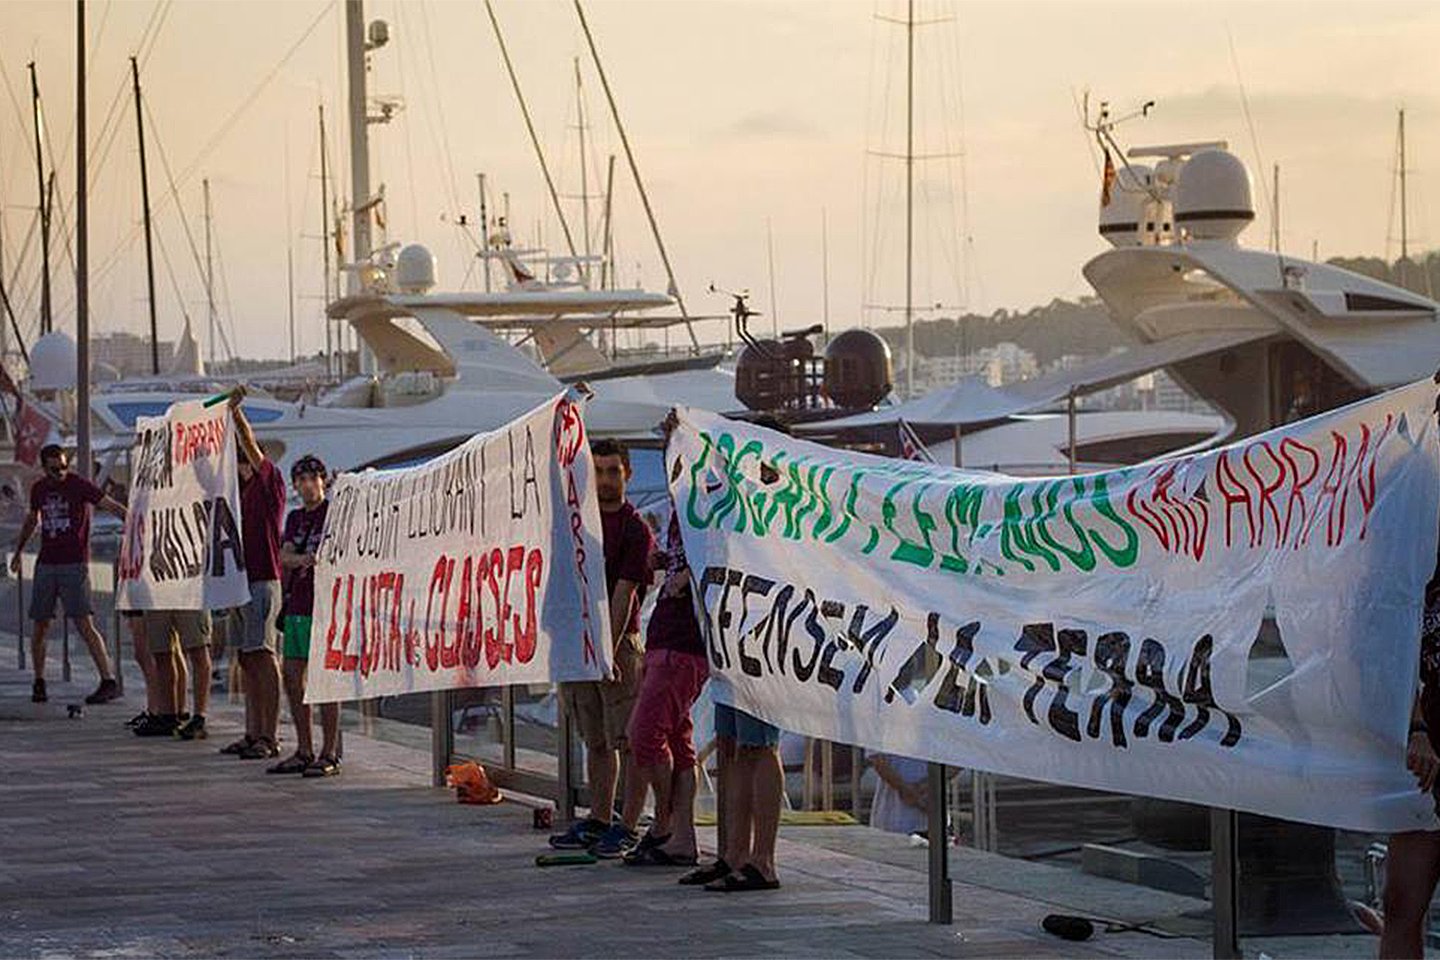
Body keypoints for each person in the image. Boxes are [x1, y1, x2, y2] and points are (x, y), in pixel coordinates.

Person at [550, 438, 655, 857]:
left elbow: (625, 593)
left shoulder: (635, 527)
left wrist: (605, 650)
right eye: (599, 471)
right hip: (577, 643)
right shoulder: (579, 523)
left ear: (627, 473)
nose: (607, 479)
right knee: (594, 739)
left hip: (617, 644)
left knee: (626, 740)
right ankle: (598, 816)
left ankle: (628, 823)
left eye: (614, 471)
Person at [621, 508, 710, 868]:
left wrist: (688, 574)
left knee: (642, 735)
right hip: (666, 632)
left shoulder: (708, 496)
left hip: (684, 640)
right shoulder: (684, 502)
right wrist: (667, 561)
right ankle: (682, 838)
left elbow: (727, 549)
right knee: (677, 741)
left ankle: (664, 823)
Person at [9, 444, 126, 704]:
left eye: (64, 467)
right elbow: (32, 519)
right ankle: (39, 680)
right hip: (47, 562)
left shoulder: (78, 485)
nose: (61, 473)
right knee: (41, 623)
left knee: (84, 622)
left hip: (74, 563)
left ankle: (107, 679)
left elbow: (109, 504)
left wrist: (131, 520)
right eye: (55, 469)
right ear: (45, 468)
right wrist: (19, 552)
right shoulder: (39, 489)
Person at [1378, 533, 1440, 958]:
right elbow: (1386, 649)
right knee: (1401, 905)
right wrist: (1416, 726)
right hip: (1428, 752)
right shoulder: (1418, 562)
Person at [218, 387, 285, 761]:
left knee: (263, 655)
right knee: (246, 658)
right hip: (240, 583)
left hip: (262, 580)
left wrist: (235, 414)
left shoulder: (269, 481)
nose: (241, 464)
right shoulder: (240, 492)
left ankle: (270, 735)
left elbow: (249, 440)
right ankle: (252, 731)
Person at [267, 455, 342, 778]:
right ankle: (304, 747)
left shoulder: (333, 513)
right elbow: (283, 556)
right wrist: (305, 560)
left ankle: (329, 751)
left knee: (325, 681)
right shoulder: (296, 518)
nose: (309, 485)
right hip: (297, 604)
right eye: (302, 479)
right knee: (294, 677)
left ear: (323, 480)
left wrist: (303, 560)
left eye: (314, 478)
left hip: (324, 605)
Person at [131, 609, 213, 740]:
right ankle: (167, 715)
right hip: (156, 596)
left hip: (189, 596)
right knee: (161, 652)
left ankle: (199, 717)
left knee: (198, 649)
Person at [869, 754, 931, 837]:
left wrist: (922, 787)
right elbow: (879, 762)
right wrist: (908, 791)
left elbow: (952, 764)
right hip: (891, 821)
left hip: (931, 822)